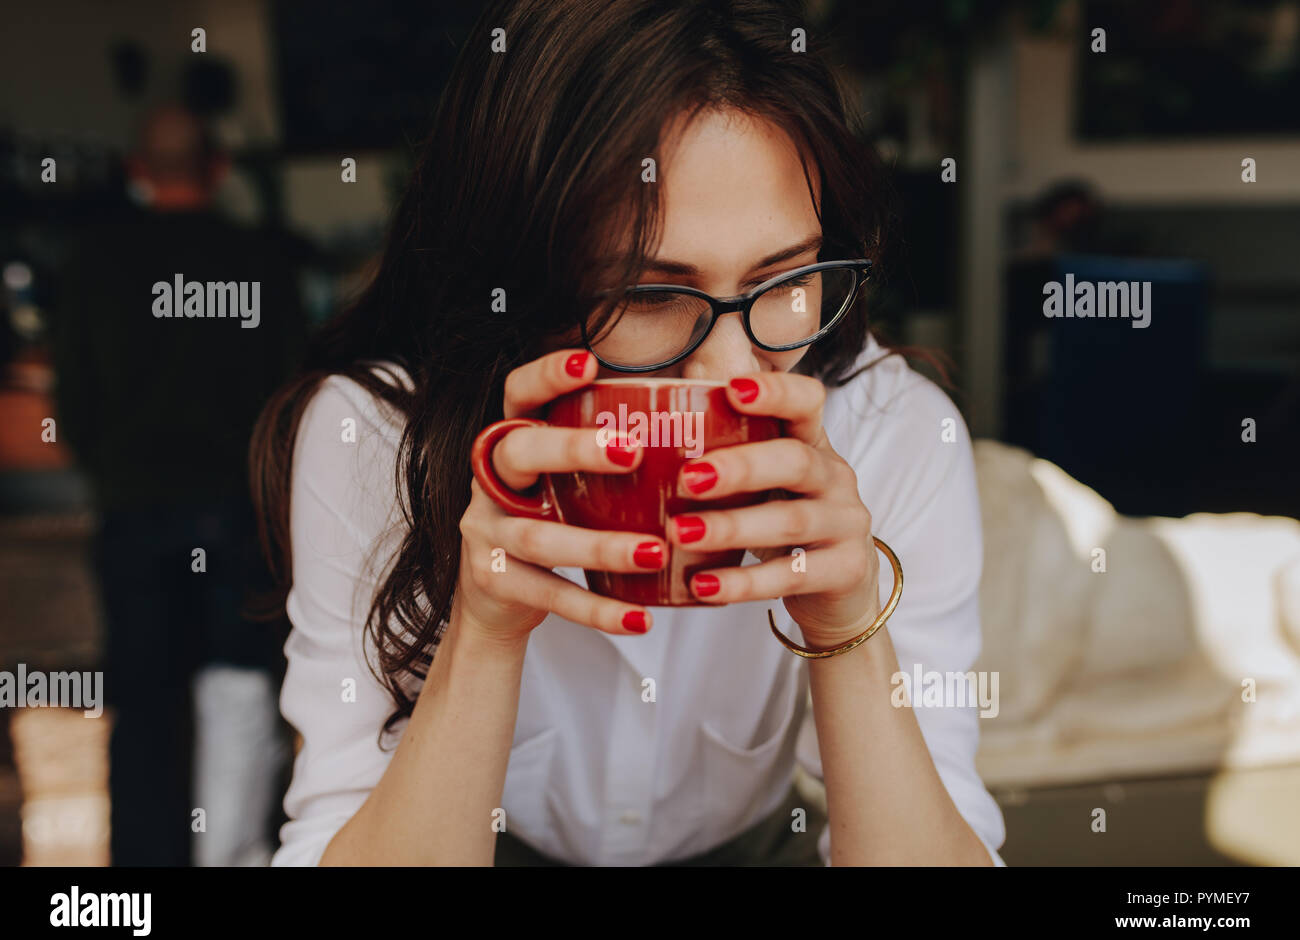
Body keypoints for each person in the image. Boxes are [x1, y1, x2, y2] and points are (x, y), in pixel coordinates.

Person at [255, 0, 1006, 866]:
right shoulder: (376, 437)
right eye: (649, 296)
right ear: (516, 286)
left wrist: (847, 625)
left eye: (786, 277)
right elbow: (333, 830)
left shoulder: (892, 434)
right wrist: (483, 635)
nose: (732, 376)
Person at [47, 103, 305, 865]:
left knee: (146, 704)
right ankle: (230, 856)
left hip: (134, 511)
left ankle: (140, 881)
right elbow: (294, 392)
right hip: (238, 512)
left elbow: (75, 400)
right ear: (219, 171)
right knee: (239, 696)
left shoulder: (92, 262)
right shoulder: (263, 260)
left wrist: (109, 471)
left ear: (136, 174)